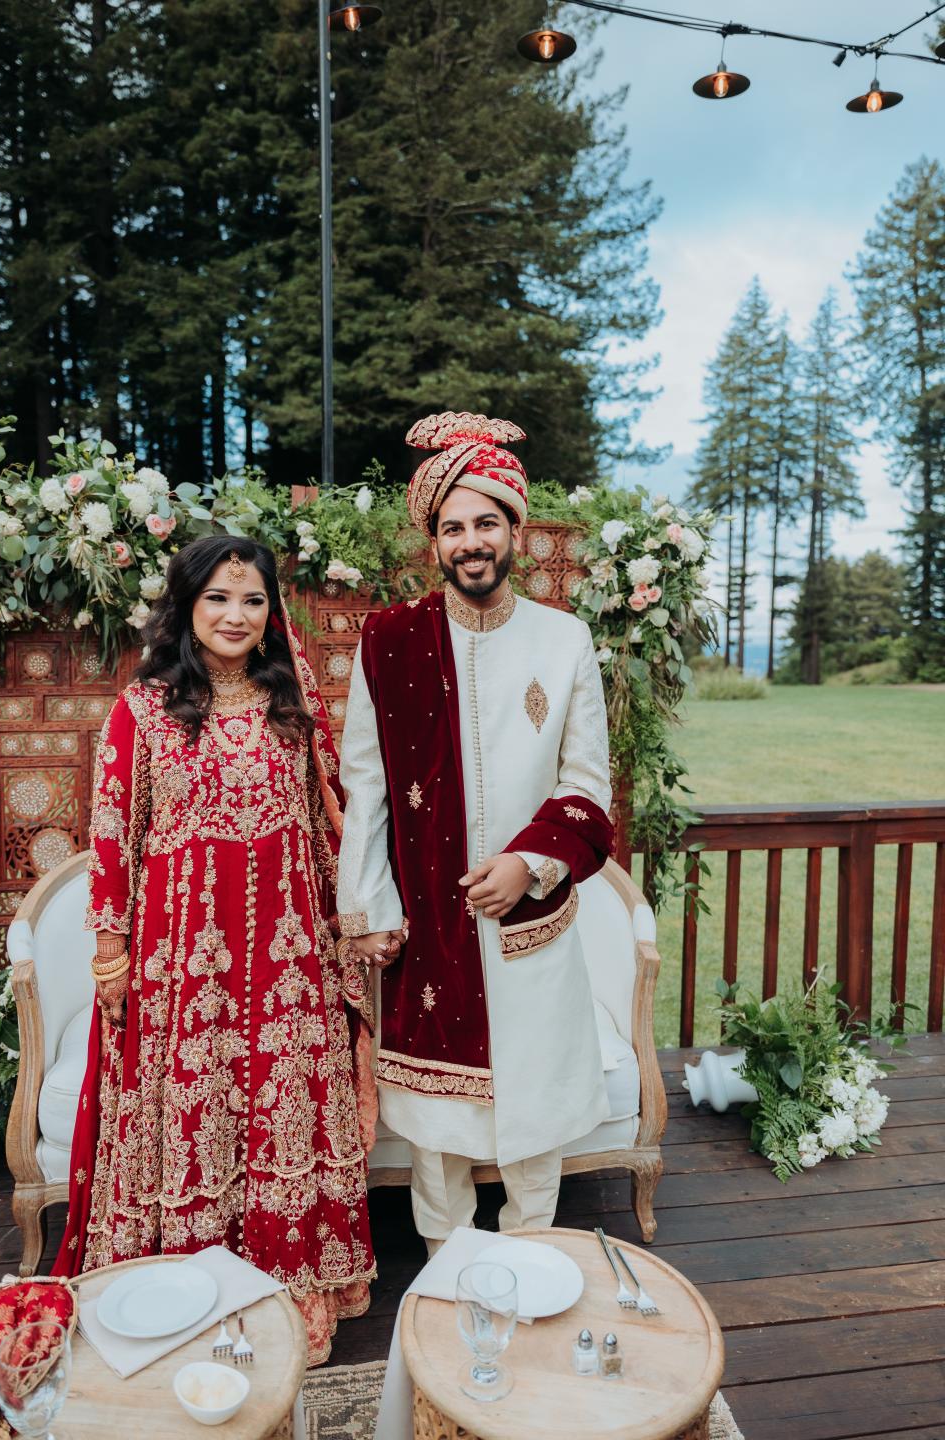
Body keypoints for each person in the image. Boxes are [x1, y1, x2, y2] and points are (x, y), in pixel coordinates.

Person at [53, 535, 376, 1366]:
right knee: (198, 1118)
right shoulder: (144, 708)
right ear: (186, 608)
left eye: (253, 600)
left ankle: (286, 1295)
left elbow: (327, 829)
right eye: (218, 599)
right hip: (180, 963)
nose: (236, 616)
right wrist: (111, 955)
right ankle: (182, 1294)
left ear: (272, 616)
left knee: (280, 1117)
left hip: (285, 964)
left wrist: (356, 929)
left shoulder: (291, 709)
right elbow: (114, 835)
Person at [336, 411, 614, 1254]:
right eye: (453, 525)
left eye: (486, 521)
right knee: (437, 1128)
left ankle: (535, 1255)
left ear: (514, 531)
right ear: (434, 540)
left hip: (527, 914)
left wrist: (530, 863)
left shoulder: (564, 641)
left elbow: (588, 787)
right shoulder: (389, 642)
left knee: (532, 1107)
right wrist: (371, 904)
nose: (470, 540)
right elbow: (366, 783)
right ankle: (447, 1271)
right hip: (426, 917)